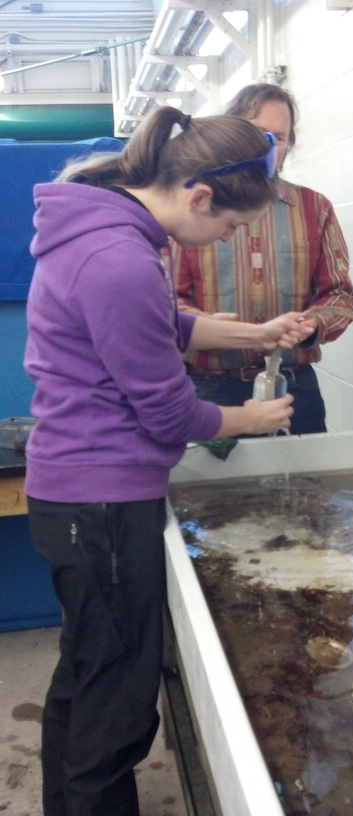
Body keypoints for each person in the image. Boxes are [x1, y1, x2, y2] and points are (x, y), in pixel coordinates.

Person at [23, 105, 313, 816]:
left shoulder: (112, 230)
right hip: (101, 505)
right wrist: (254, 417)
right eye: (231, 228)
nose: (225, 241)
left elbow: (171, 321)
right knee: (118, 707)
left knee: (88, 675)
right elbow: (170, 414)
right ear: (200, 196)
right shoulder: (118, 258)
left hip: (76, 497)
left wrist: (256, 332)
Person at [174, 83, 353, 435]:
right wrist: (230, 334)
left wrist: (311, 326)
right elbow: (167, 304)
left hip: (294, 391)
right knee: (213, 492)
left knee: (306, 488)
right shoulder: (193, 206)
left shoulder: (314, 209)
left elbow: (340, 295)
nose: (270, 146)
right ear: (232, 134)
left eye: (281, 137)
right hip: (211, 391)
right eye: (259, 133)